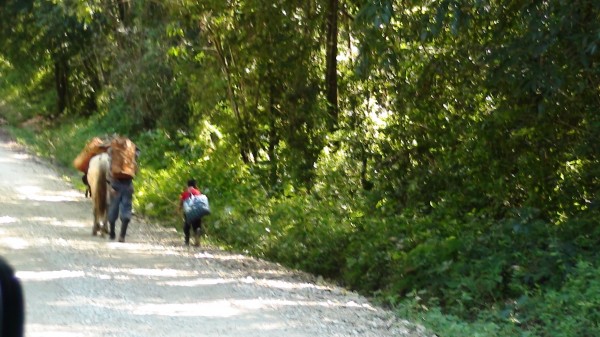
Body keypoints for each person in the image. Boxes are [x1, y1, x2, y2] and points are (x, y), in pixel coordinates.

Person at [107, 136, 139, 243]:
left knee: (113, 208)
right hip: (128, 185)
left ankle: (112, 233)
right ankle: (122, 236)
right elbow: (136, 171)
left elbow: (109, 171)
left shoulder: (112, 152)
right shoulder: (132, 154)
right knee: (126, 209)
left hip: (115, 185)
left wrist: (109, 185)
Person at [179, 179, 204, 246]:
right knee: (197, 225)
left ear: (188, 185)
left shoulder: (185, 192)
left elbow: (181, 202)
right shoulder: (198, 192)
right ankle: (197, 233)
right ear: (195, 185)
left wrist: (179, 208)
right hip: (198, 211)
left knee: (187, 226)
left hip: (189, 211)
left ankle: (187, 241)